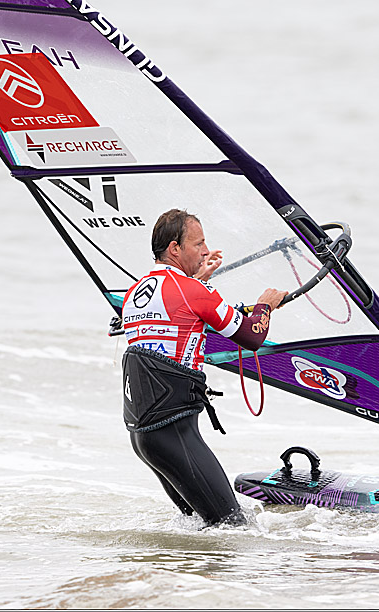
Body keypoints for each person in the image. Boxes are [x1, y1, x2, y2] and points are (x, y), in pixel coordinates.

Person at [121, 209, 287, 527]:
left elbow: (175, 317)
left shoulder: (136, 292)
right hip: (175, 431)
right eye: (198, 244)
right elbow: (252, 336)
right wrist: (266, 303)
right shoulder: (194, 291)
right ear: (175, 249)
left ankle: (180, 578)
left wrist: (199, 281)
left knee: (199, 530)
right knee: (234, 528)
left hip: (145, 437)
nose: (206, 251)